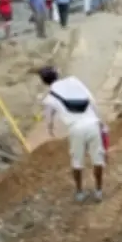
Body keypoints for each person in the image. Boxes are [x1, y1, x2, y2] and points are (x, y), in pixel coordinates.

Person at [37, 66, 106, 203]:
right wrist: (98, 119)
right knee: (97, 159)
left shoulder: (49, 98)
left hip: (75, 128)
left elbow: (49, 118)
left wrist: (50, 129)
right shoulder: (74, 81)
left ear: (44, 82)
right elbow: (92, 100)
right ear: (57, 74)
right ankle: (98, 191)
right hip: (92, 123)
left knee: (77, 161)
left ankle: (80, 192)